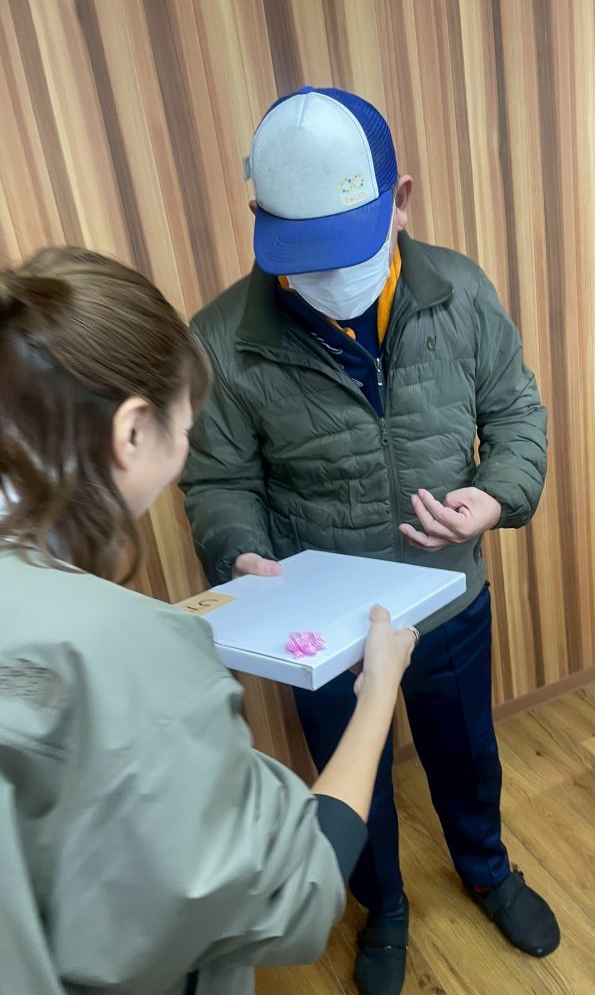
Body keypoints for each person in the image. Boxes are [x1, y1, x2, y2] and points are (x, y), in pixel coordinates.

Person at [182, 86, 558, 995]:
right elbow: (217, 480)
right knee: (355, 779)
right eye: (304, 252)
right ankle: (381, 908)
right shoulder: (223, 339)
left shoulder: (461, 289)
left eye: (347, 245)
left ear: (402, 200)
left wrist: (495, 498)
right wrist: (238, 554)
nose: (329, 276)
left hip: (447, 596)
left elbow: (516, 412)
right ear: (260, 220)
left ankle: (487, 872)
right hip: (328, 628)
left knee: (467, 754)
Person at [0, 246, 415, 995]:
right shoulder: (129, 648)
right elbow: (294, 889)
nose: (187, 446)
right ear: (133, 431)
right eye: (185, 426)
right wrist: (379, 690)